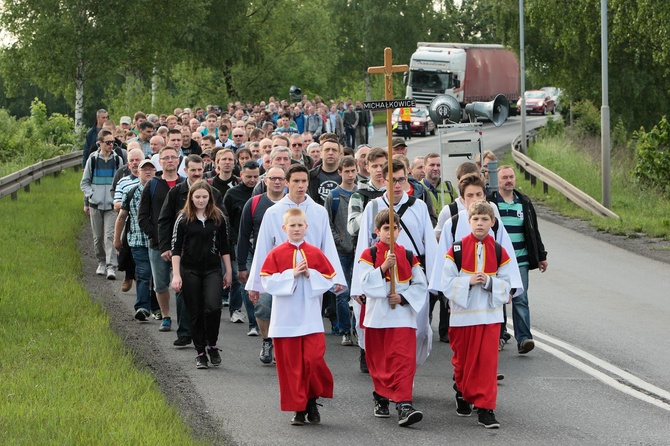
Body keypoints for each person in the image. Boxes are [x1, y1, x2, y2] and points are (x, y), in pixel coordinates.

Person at [351, 160, 437, 373]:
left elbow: (430, 246)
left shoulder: (419, 206)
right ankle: (388, 374)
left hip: (412, 275)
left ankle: (405, 372)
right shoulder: (373, 207)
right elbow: (363, 244)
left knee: (416, 330)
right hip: (381, 276)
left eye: (401, 180)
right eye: (393, 180)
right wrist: (359, 288)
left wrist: (436, 284)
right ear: (383, 180)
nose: (397, 185)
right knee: (383, 329)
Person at [439, 200, 514, 429]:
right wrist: (468, 281)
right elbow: (446, 282)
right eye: (475, 219)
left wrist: (490, 282)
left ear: (492, 222)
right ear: (468, 222)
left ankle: (486, 408)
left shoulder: (500, 251)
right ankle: (462, 392)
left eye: (484, 219)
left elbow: (508, 284)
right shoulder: (457, 249)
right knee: (462, 362)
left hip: (490, 317)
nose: (480, 223)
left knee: (487, 364)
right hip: (463, 317)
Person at [260, 208, 336, 426]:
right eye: (292, 225)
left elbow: (329, 280)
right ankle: (299, 409)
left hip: (310, 319)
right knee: (291, 367)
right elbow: (267, 282)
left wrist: (310, 274)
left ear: (306, 228)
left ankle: (311, 399)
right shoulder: (276, 254)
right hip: (285, 321)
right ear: (284, 228)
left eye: (300, 225)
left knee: (313, 361)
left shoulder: (315, 253)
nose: (296, 229)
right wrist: (290, 274)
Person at [358, 209, 427, 427]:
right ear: (377, 231)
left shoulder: (408, 255)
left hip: (402, 318)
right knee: (380, 362)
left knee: (404, 361)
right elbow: (365, 283)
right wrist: (383, 268)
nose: (390, 232)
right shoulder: (369, 255)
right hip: (378, 318)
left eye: (394, 228)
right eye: (386, 228)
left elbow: (420, 285)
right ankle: (381, 396)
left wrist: (403, 297)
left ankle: (404, 405)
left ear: (399, 231)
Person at [171, 180, 232, 369]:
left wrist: (228, 270)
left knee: (213, 307)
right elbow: (176, 248)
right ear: (191, 197)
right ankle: (200, 352)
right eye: (197, 197)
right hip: (190, 270)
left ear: (210, 198)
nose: (201, 200)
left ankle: (212, 344)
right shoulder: (183, 219)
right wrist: (176, 275)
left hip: (212, 268)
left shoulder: (218, 218)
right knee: (195, 311)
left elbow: (225, 246)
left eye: (204, 197)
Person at [488, 165, 548, 354]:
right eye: (504, 177)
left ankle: (524, 338)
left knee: (520, 298)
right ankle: (499, 335)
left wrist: (541, 256)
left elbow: (533, 231)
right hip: (497, 261)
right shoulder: (491, 203)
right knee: (499, 298)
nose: (508, 180)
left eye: (511, 177)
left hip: (520, 260)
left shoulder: (524, 202)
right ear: (497, 181)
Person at [237, 166, 287, 364]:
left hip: (288, 264)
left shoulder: (293, 204)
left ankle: (282, 345)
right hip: (262, 261)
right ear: (265, 180)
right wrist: (242, 266)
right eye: (273, 178)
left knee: (284, 309)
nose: (277, 182)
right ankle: (267, 340)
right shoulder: (255, 203)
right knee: (263, 306)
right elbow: (243, 235)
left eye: (280, 178)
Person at [138, 146, 185, 335]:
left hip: (183, 245)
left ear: (179, 160)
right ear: (160, 161)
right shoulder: (153, 184)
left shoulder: (186, 184)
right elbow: (143, 216)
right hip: (158, 245)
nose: (170, 161)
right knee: (160, 284)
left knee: (184, 284)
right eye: (166, 158)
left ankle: (185, 320)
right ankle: (166, 316)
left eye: (173, 157)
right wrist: (159, 239)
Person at [113, 159, 159, 321]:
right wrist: (117, 239)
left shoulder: (161, 191)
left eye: (151, 170)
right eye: (144, 169)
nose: (148, 172)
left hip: (158, 242)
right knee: (143, 273)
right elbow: (122, 217)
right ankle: (142, 307)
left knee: (157, 276)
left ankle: (156, 307)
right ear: (138, 172)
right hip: (137, 241)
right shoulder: (131, 192)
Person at [222, 161, 260, 334]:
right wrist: (232, 240)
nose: (252, 180)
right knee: (246, 279)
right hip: (240, 243)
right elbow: (225, 219)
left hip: (260, 242)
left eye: (255, 176)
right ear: (241, 176)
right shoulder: (232, 194)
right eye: (248, 176)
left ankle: (261, 318)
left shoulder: (263, 194)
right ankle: (253, 322)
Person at [80, 129, 124, 279]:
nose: (111, 145)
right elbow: (84, 182)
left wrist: (117, 199)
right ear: (100, 143)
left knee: (109, 236)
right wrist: (90, 196)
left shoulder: (118, 160)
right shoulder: (92, 160)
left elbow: (121, 182)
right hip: (95, 204)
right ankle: (101, 262)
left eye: (113, 142)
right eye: (108, 142)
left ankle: (111, 266)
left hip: (112, 205)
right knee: (98, 237)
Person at [324, 156, 357, 346]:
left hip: (359, 250)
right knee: (342, 292)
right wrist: (339, 241)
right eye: (346, 171)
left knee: (359, 291)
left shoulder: (361, 192)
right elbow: (328, 223)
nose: (350, 175)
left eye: (353, 170)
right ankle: (345, 329)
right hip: (341, 251)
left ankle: (357, 328)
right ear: (340, 173)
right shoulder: (334, 196)